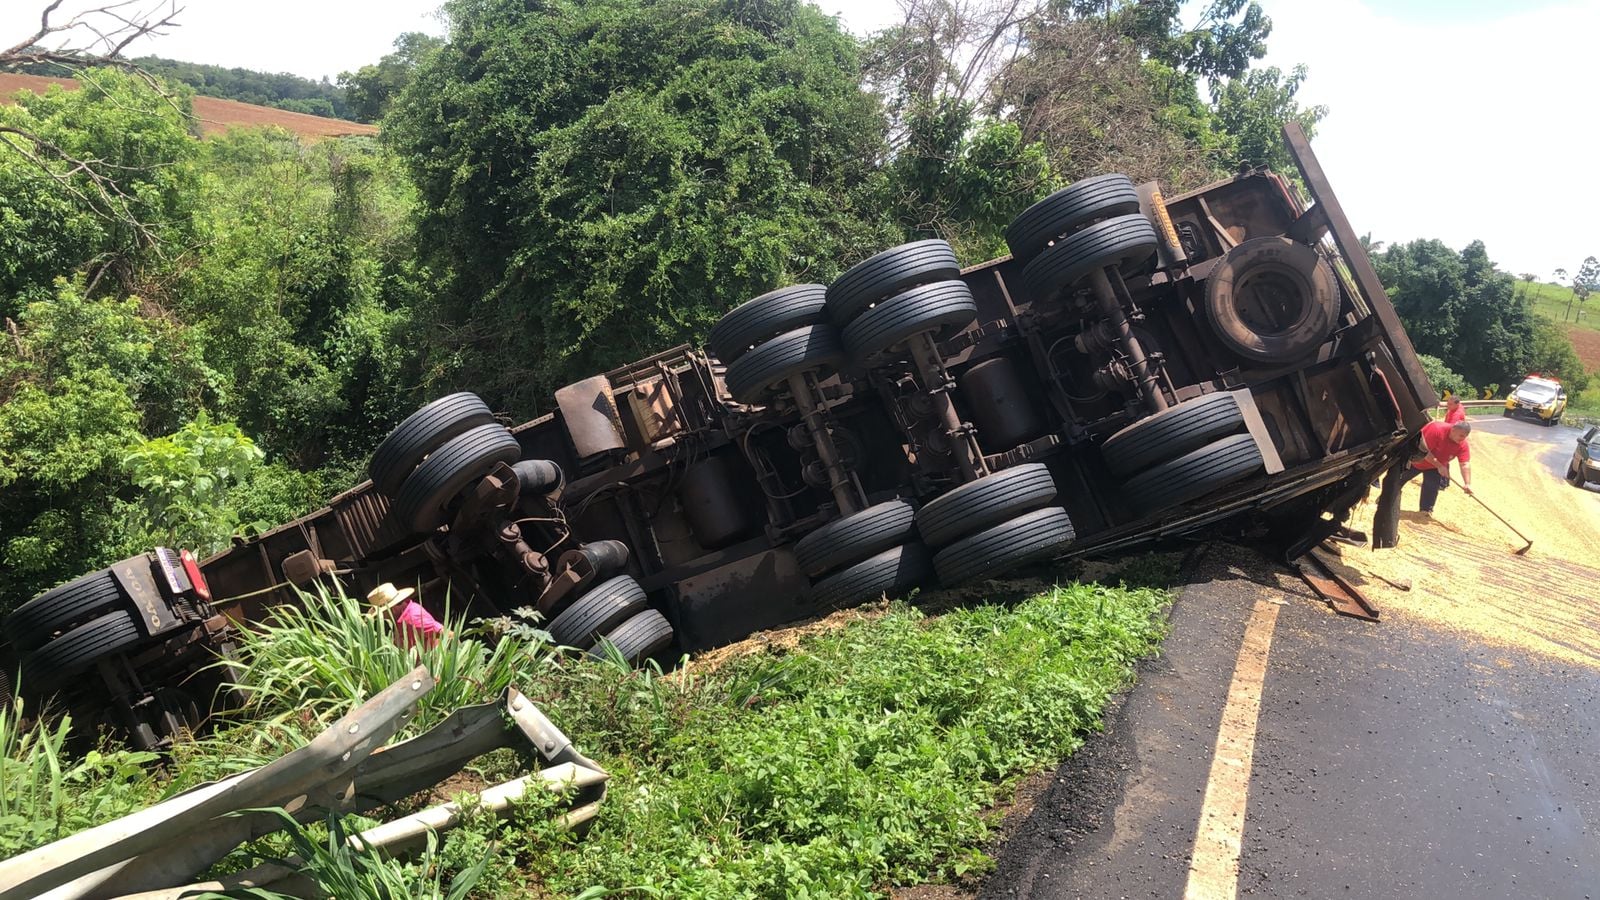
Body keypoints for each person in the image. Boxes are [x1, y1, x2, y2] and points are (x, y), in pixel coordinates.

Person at [1372, 419, 1473, 547]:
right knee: (1398, 481)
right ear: (1453, 429)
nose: (1462, 439)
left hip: (1434, 467)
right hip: (1416, 459)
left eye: (1465, 437)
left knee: (1432, 486)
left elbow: (1465, 463)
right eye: (1461, 435)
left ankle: (1425, 511)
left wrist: (1467, 483)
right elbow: (1424, 451)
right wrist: (1440, 465)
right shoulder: (1436, 429)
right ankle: (1384, 500)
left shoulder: (1462, 444)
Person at [367, 582, 444, 649]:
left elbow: (444, 633)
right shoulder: (400, 618)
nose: (382, 617)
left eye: (381, 613)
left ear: (391, 608)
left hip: (432, 662)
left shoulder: (413, 617)